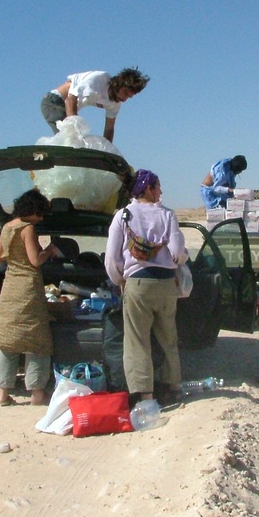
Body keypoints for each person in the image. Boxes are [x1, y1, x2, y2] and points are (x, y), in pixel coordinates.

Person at [104, 169, 188, 406]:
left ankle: (146, 395)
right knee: (168, 338)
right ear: (148, 188)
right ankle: (174, 387)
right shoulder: (168, 215)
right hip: (166, 285)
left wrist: (120, 281)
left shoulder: (122, 216)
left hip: (138, 284)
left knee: (137, 341)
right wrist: (179, 262)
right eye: (159, 186)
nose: (161, 191)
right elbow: (178, 252)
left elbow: (111, 259)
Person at [0, 189, 60, 406]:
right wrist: (49, 250)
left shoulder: (7, 227)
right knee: (36, 340)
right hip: (28, 288)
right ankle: (37, 395)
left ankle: (3, 395)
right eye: (40, 212)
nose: (41, 217)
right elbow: (35, 261)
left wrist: (16, 258)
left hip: (10, 286)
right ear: (33, 210)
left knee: (8, 341)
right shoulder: (28, 229)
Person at [40, 68, 150, 143]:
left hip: (66, 107)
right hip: (53, 102)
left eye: (129, 97)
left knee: (77, 140)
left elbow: (109, 129)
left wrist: (107, 151)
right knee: (70, 139)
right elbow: (70, 100)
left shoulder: (115, 103)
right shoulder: (98, 80)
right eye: (125, 93)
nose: (124, 99)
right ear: (119, 84)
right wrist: (73, 129)